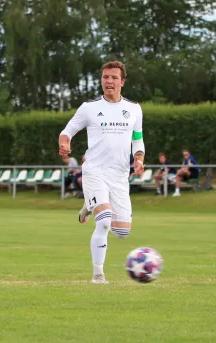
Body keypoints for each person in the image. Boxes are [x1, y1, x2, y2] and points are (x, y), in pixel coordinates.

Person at [58, 60, 145, 284]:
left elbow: (138, 139)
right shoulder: (89, 108)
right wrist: (64, 144)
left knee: (122, 231)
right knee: (104, 221)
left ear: (122, 82)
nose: (109, 81)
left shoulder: (134, 109)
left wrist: (139, 158)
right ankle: (98, 274)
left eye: (114, 78)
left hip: (119, 175)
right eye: (105, 77)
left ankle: (89, 205)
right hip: (94, 172)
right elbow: (66, 132)